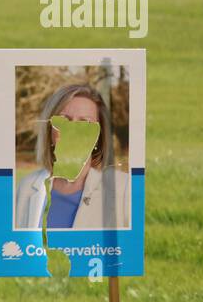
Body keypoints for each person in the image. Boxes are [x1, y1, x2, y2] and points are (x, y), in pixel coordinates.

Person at [13, 83, 130, 230]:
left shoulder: (124, 188)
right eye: (64, 120)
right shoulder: (26, 187)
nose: (72, 131)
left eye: (85, 122)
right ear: (49, 130)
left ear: (99, 137)